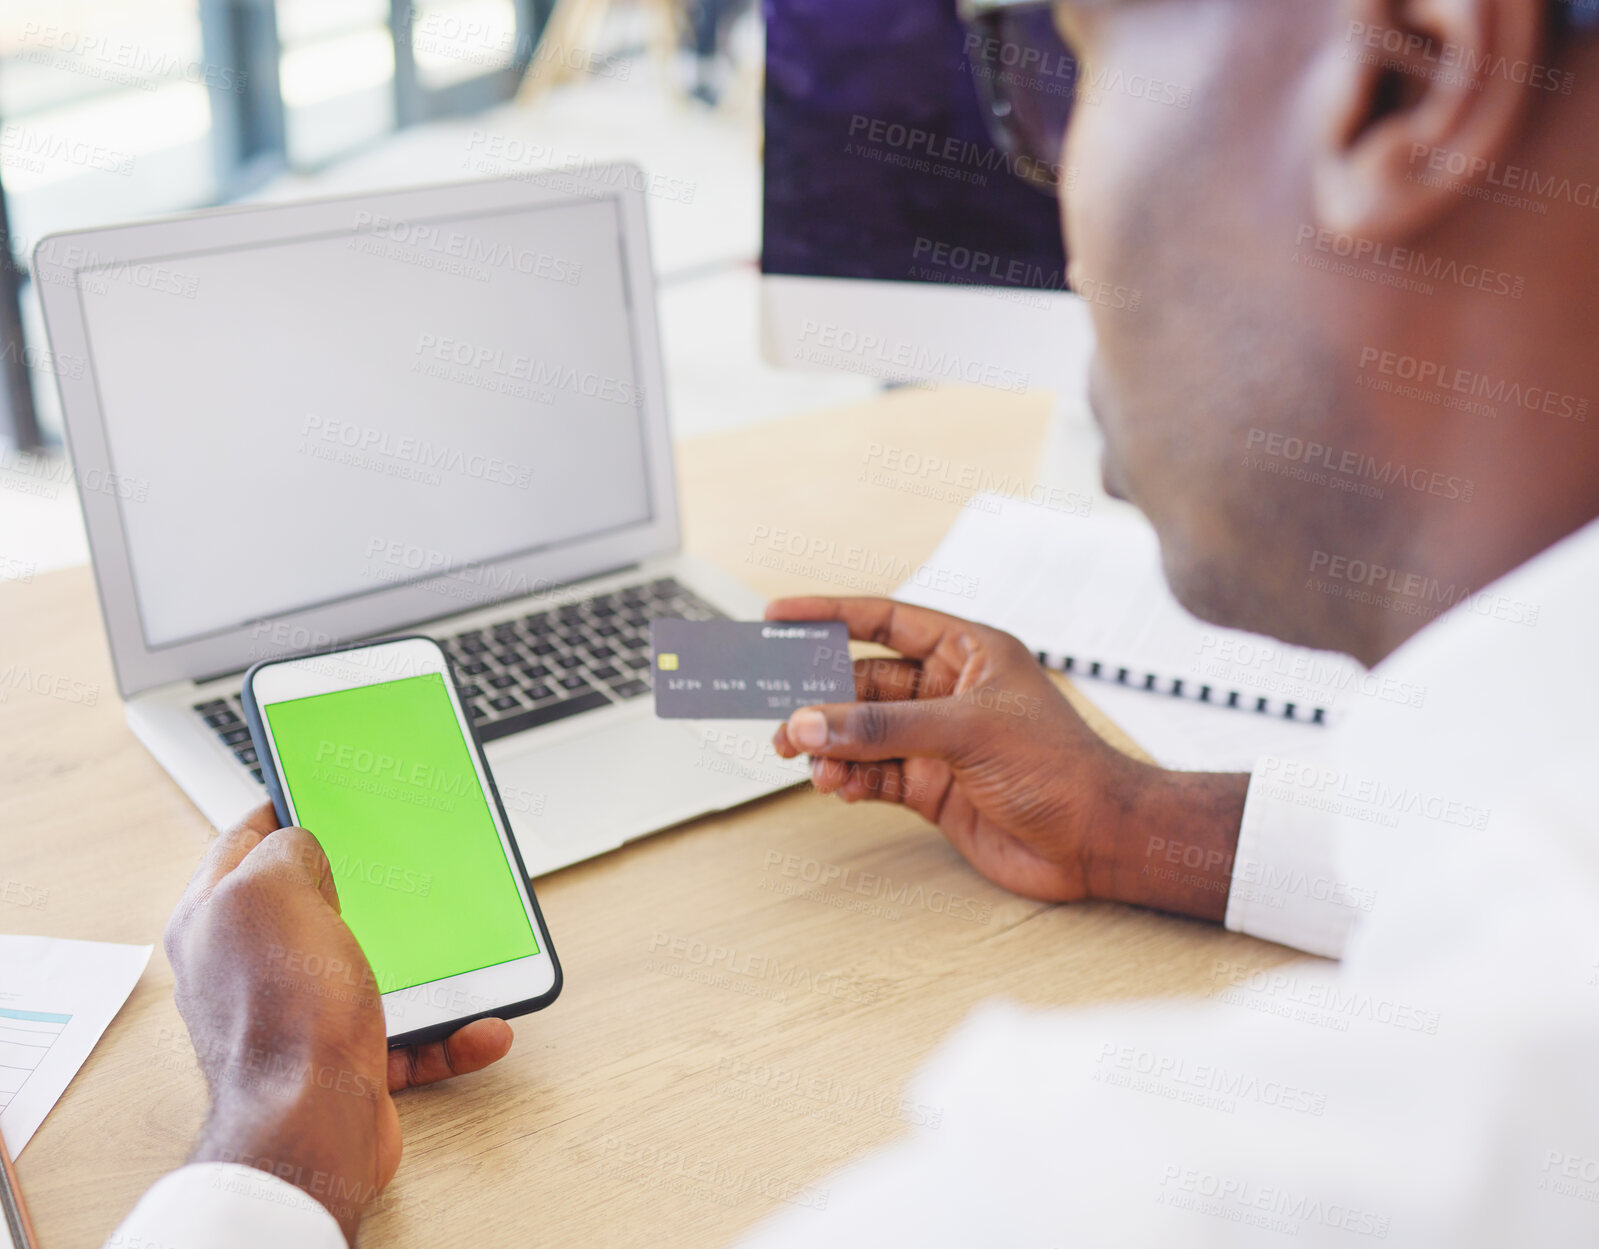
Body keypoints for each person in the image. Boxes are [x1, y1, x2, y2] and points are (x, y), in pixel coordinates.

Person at [107, 0, 1599, 1243]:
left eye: (1055, 67)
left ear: (1412, 73)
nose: (1056, 205)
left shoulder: (1125, 1197)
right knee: (721, 662)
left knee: (707, 662)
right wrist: (1136, 817)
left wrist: (273, 1126)